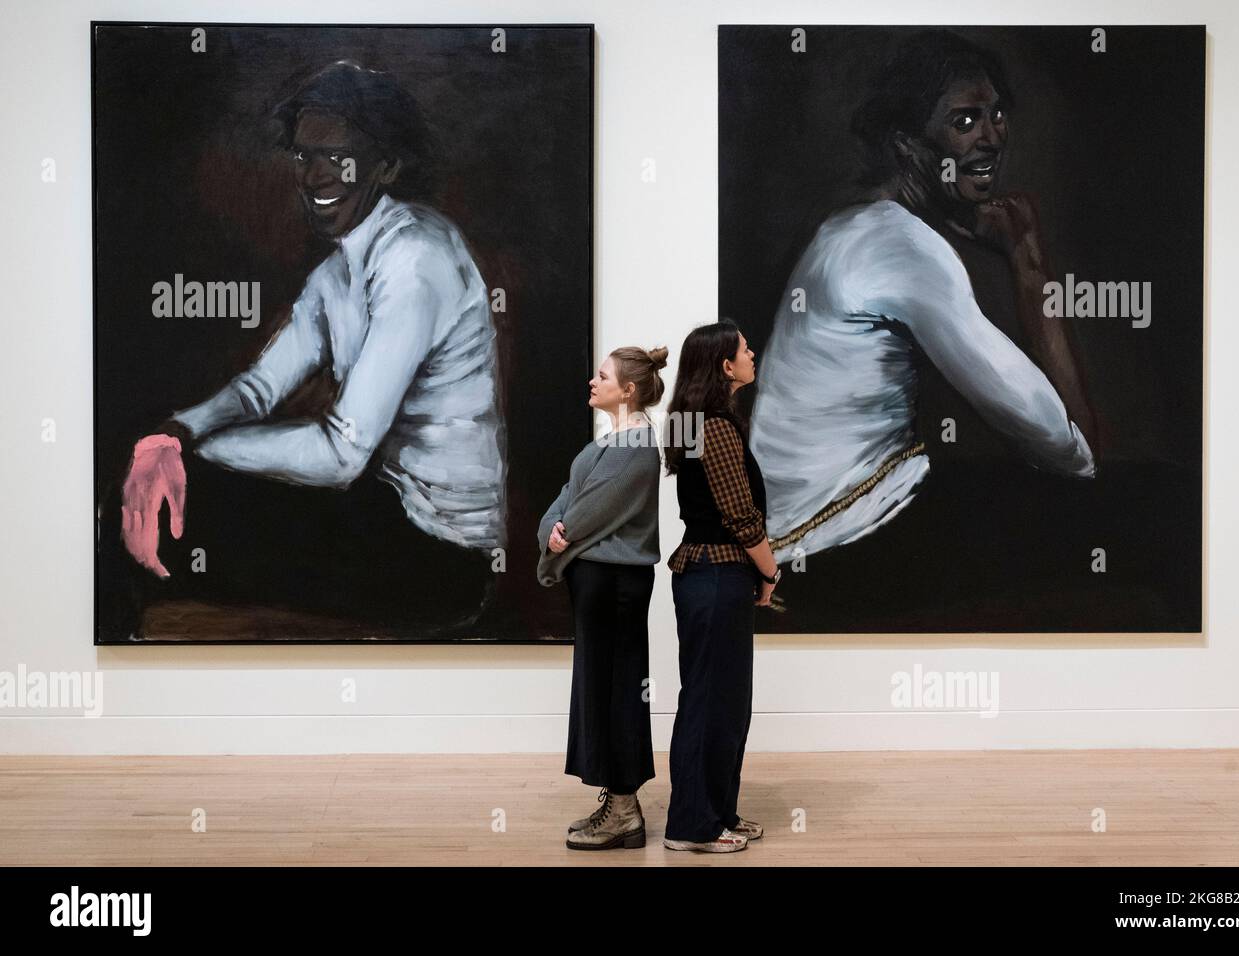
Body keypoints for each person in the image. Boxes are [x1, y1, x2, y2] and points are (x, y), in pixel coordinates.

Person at [103, 61, 506, 638]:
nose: (313, 176)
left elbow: (343, 452)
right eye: (301, 156)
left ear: (386, 165)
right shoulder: (336, 275)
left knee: (171, 507)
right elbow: (258, 389)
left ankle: (122, 659)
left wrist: (198, 455)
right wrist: (172, 434)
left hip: (439, 559)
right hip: (382, 513)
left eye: (335, 157)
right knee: (148, 490)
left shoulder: (417, 259)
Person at [749, 29, 1099, 571]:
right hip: (837, 540)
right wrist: (1028, 260)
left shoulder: (848, 228)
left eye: (997, 114)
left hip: (798, 530)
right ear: (905, 144)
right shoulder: (899, 245)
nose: (992, 138)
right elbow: (1065, 447)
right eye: (964, 122)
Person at [538, 346, 668, 850]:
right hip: (600, 583)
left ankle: (625, 812)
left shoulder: (637, 446)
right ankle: (616, 804)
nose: (593, 382)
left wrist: (561, 534)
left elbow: (586, 511)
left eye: (603, 375)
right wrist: (552, 530)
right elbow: (565, 503)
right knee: (602, 686)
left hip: (617, 585)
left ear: (628, 389)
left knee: (617, 689)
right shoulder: (610, 441)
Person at [661, 320, 777, 853]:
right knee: (711, 701)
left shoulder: (705, 424)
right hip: (715, 576)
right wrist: (770, 572)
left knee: (724, 702)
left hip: (713, 576)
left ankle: (718, 813)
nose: (753, 353)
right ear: (726, 367)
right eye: (745, 349)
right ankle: (693, 825)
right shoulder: (716, 428)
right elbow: (741, 517)